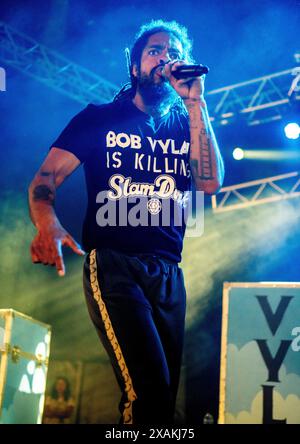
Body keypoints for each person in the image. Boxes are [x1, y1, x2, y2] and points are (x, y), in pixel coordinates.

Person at [28, 19, 224, 425]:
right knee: (148, 392)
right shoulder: (99, 118)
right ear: (135, 67)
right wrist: (48, 224)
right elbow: (45, 180)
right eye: (155, 51)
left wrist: (195, 104)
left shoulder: (186, 122)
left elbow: (208, 182)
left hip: (169, 271)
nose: (165, 59)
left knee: (162, 404)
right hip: (116, 265)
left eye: (174, 54)